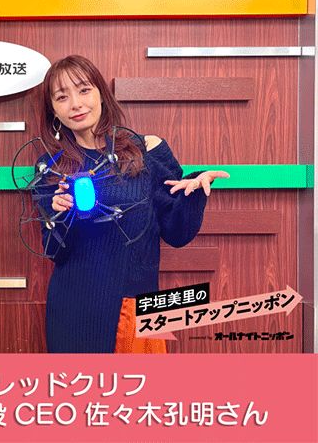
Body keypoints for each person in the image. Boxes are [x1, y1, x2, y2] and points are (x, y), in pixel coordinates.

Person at [37, 55, 228, 353]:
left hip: (136, 307)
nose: (75, 104)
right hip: (74, 311)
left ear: (101, 93)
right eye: (62, 97)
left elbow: (177, 233)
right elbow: (54, 252)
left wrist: (194, 192)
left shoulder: (146, 150)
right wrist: (59, 215)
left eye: (84, 90)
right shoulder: (51, 167)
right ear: (53, 110)